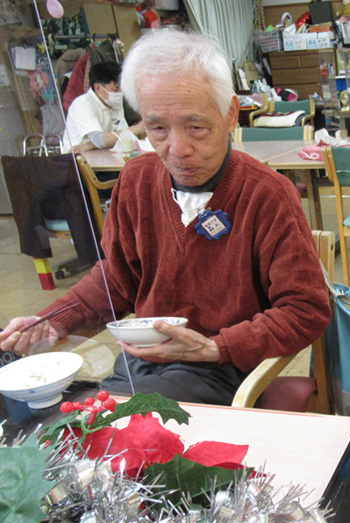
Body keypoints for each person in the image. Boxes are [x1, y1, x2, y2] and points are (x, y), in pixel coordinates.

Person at [1, 30, 331, 405]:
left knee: (128, 425)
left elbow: (306, 310)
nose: (177, 150)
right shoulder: (136, 180)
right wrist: (52, 318)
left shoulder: (267, 194)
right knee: (62, 412)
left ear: (230, 115)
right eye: (157, 128)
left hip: (223, 368)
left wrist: (214, 347)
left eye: (196, 127)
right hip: (143, 361)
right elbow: (117, 278)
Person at [61, 61, 145, 154]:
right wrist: (137, 129)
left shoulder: (113, 102)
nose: (120, 92)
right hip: (79, 160)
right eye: (115, 88)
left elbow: (123, 138)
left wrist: (89, 145)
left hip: (103, 155)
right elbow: (98, 140)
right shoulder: (82, 105)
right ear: (98, 88)